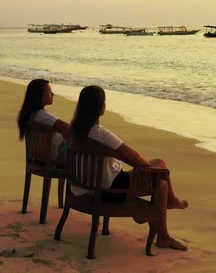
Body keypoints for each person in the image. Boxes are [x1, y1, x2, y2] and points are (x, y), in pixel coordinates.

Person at [69, 85, 188, 250]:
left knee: (162, 184)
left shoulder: (73, 131)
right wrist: (148, 168)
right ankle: (166, 219)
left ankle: (163, 223)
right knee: (160, 169)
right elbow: (138, 159)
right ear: (101, 108)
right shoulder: (101, 134)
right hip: (109, 191)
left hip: (82, 188)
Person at [17, 79, 69, 160]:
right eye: (49, 92)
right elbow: (67, 127)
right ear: (39, 95)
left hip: (40, 155)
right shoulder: (41, 115)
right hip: (56, 154)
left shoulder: (30, 114)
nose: (53, 94)